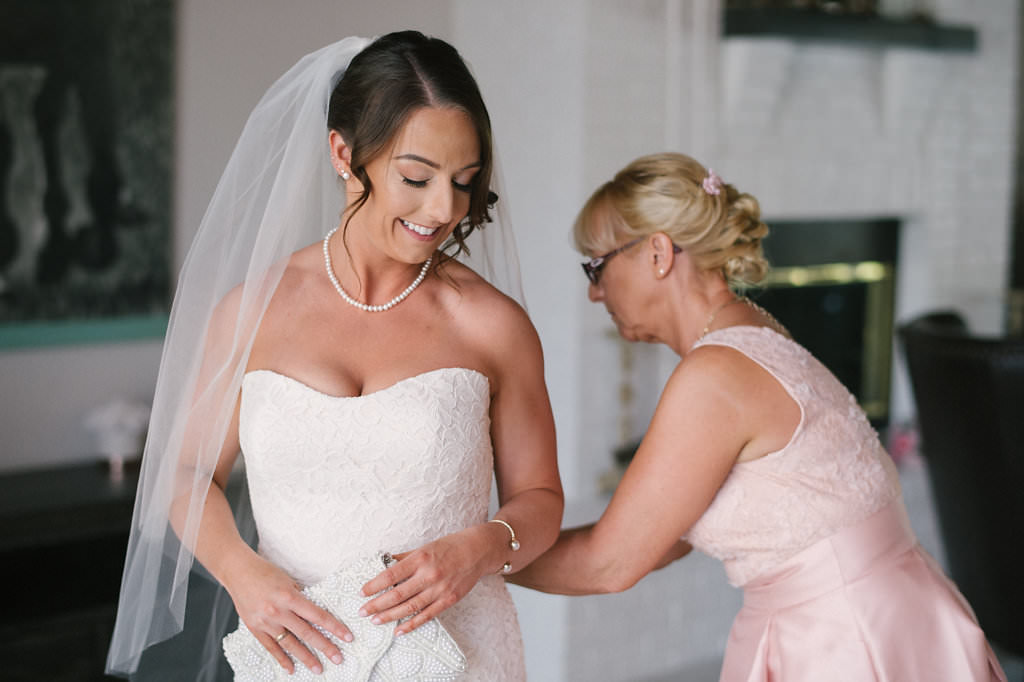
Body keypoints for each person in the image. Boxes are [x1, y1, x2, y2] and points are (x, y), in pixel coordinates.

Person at [106, 31, 563, 681]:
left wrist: (483, 547)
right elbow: (184, 474)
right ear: (344, 154)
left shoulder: (493, 325)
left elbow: (541, 498)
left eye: (464, 182)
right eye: (416, 177)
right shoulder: (251, 311)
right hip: (298, 655)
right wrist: (242, 575)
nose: (444, 209)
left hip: (460, 655)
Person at [510, 152, 1007, 681]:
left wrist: (475, 563)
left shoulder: (716, 374)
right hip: (886, 611)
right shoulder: (756, 332)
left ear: (657, 253)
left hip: (844, 638)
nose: (593, 292)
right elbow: (660, 535)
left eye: (597, 265)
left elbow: (610, 563)